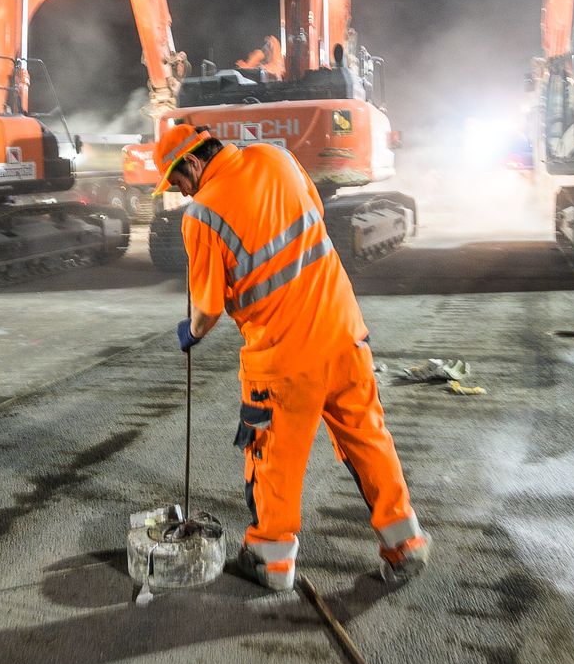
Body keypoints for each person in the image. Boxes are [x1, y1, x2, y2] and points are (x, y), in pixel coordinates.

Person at [155, 122, 430, 593]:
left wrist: (190, 333)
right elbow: (313, 215)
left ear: (194, 163)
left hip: (283, 362)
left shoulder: (201, 215)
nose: (180, 194)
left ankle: (270, 561)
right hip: (346, 335)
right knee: (368, 440)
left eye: (178, 182)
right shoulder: (275, 157)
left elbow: (206, 310)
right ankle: (406, 545)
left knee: (274, 460)